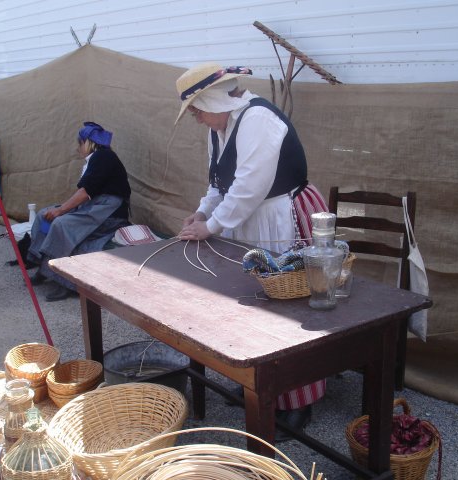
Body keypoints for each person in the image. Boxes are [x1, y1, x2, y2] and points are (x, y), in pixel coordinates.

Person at [175, 63, 328, 440]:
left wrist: (210, 227)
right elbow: (219, 182)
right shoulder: (221, 126)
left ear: (212, 97)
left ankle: (300, 400)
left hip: (281, 217)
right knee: (254, 306)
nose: (195, 118)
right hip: (248, 219)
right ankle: (261, 387)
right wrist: (202, 211)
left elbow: (249, 187)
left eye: (196, 109)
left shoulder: (258, 118)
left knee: (290, 310)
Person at [28, 121, 131, 301]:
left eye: (79, 144)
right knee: (43, 215)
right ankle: (42, 267)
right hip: (96, 206)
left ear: (88, 143)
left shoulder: (103, 156)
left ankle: (64, 281)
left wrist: (61, 210)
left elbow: (85, 192)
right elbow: (85, 193)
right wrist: (59, 209)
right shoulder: (96, 159)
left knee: (62, 224)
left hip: (109, 213)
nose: (78, 148)